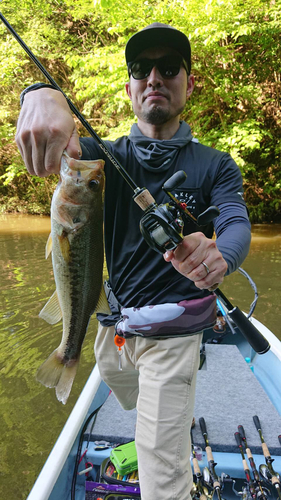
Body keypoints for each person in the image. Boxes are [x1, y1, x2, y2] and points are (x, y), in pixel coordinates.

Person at [16, 23, 251, 500]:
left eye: (168, 68)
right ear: (129, 87)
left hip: (176, 331)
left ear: (188, 81)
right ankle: (168, 415)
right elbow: (62, 141)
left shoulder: (216, 165)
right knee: (137, 400)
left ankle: (168, 434)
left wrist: (220, 256)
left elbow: (235, 222)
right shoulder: (102, 160)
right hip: (113, 331)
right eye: (141, 69)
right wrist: (40, 92)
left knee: (162, 470)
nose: (154, 78)